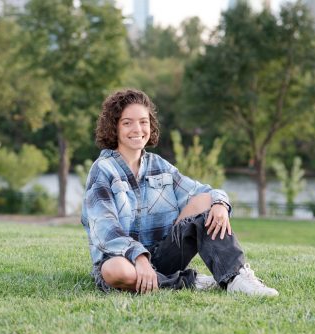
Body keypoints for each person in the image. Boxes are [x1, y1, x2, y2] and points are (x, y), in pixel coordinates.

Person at [81, 88, 279, 296]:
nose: (137, 129)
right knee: (116, 271)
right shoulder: (103, 170)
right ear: (114, 127)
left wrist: (220, 203)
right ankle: (190, 282)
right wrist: (139, 257)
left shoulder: (159, 165)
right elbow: (105, 229)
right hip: (123, 259)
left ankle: (235, 277)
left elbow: (202, 192)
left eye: (143, 121)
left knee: (205, 201)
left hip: (164, 255)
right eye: (127, 122)